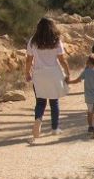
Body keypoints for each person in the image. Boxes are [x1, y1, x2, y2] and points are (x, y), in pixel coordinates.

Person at [24, 16, 70, 145]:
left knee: (40, 102)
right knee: (54, 101)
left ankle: (38, 120)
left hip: (39, 74)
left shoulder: (33, 41)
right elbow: (62, 59)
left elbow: (28, 60)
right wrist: (67, 72)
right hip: (54, 73)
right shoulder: (56, 40)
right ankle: (55, 128)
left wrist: (27, 73)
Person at [69, 54, 94, 137]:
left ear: (88, 62)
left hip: (89, 97)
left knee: (90, 113)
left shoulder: (86, 72)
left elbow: (77, 80)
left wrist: (69, 82)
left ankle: (90, 128)